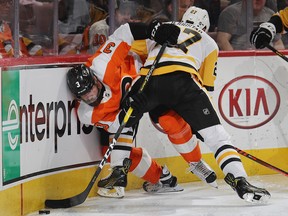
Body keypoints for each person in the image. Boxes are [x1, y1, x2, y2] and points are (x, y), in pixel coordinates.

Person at [99, 8, 269, 203]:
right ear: (204, 27)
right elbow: (206, 86)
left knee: (126, 121)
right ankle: (240, 180)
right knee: (217, 137)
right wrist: (201, 122)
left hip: (148, 81)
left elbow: (131, 46)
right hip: (183, 82)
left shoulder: (166, 28)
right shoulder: (209, 42)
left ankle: (118, 172)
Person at [66, 7, 218, 198]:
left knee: (170, 121)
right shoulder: (86, 113)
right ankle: (162, 178)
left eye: (90, 90)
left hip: (151, 81)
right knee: (116, 146)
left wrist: (151, 30)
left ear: (95, 80)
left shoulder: (101, 65)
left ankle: (195, 162)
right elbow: (121, 123)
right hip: (131, 100)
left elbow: (125, 33)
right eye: (84, 96)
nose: (89, 97)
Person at [217, 0, 284, 50]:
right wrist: (235, 60)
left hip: (267, 62)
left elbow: (278, 43)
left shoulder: (271, 14)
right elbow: (222, 41)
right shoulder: (230, 13)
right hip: (240, 62)